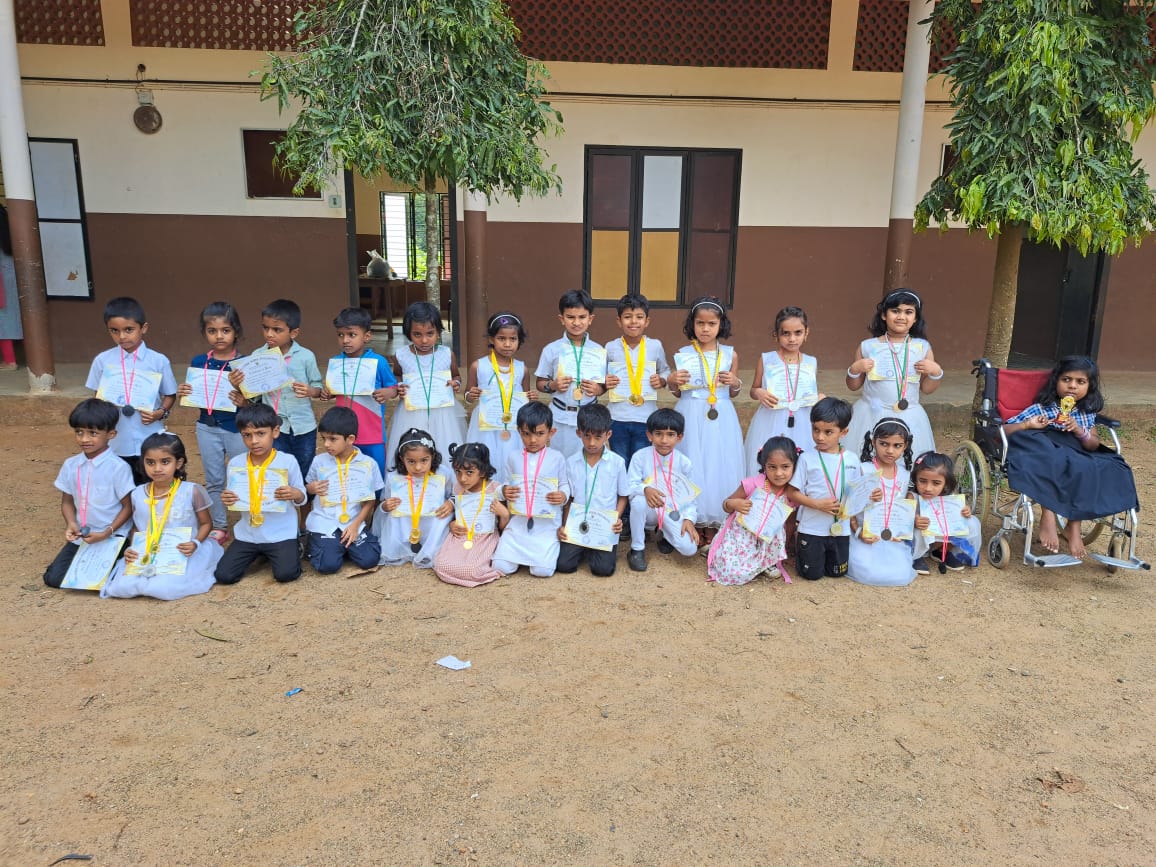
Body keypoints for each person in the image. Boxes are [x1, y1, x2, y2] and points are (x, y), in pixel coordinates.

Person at [1003, 355, 1139, 558]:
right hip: (1045, 449)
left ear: (1089, 387)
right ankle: (1048, 513)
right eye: (1066, 379)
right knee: (1054, 458)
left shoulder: (1085, 413)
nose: (1072, 386)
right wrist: (1028, 424)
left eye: (1080, 381)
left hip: (1076, 450)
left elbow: (1092, 444)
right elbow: (1003, 431)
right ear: (1056, 381)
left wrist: (1079, 430)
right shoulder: (1041, 408)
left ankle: (1074, 526)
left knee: (1100, 466)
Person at [102, 433, 222, 600]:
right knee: (121, 588)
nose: (157, 468)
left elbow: (206, 523)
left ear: (178, 463)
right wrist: (133, 547)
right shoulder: (137, 493)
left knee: (162, 589)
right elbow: (137, 526)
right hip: (147, 551)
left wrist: (195, 543)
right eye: (150, 462)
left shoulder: (191, 491)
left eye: (165, 462)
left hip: (181, 551)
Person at [668, 296, 744, 539]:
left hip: (720, 414)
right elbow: (677, 391)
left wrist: (735, 382)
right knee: (692, 461)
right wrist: (672, 381)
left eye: (712, 323)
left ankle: (714, 520)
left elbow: (733, 392)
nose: (705, 329)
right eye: (700, 323)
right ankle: (692, 517)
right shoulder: (683, 354)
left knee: (717, 463)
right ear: (692, 324)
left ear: (721, 325)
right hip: (690, 410)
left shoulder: (730, 355)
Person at [85, 297, 178, 484]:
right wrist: (104, 411)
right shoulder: (102, 361)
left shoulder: (158, 361)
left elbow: (170, 394)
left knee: (149, 485)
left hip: (149, 434)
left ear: (143, 328)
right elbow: (97, 395)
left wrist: (160, 413)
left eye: (128, 330)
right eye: (114, 331)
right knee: (120, 485)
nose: (122, 336)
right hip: (117, 438)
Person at [229, 299, 324, 482]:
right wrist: (238, 386)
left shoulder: (306, 357)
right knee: (278, 472)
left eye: (277, 330)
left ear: (294, 332)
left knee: (305, 472)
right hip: (273, 427)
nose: (269, 334)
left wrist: (311, 391)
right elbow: (254, 397)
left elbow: (319, 388)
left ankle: (305, 501)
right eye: (265, 328)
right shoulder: (257, 356)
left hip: (304, 426)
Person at [44, 399, 134, 588]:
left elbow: (128, 507)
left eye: (93, 433)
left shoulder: (118, 468)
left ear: (111, 434)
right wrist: (71, 523)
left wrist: (107, 532)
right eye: (79, 432)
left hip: (113, 536)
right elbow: (67, 501)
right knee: (54, 579)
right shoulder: (71, 465)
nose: (84, 439)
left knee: (106, 581)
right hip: (83, 536)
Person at [176, 301, 246, 544]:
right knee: (215, 479)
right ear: (204, 332)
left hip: (237, 428)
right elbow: (198, 394)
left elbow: (255, 402)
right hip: (206, 427)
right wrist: (185, 392)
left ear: (236, 331)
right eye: (212, 331)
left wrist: (244, 400)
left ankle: (249, 521)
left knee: (243, 475)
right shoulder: (199, 362)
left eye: (226, 330)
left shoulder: (243, 363)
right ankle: (219, 525)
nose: (219, 336)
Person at [844, 289, 942, 461]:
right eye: (895, 311)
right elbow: (853, 386)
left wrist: (935, 372)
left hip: (909, 414)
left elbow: (927, 389)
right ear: (884, 315)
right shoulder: (868, 346)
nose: (901, 317)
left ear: (916, 318)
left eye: (908, 312)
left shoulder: (922, 347)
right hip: (871, 414)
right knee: (868, 458)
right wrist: (854, 369)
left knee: (906, 459)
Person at [215, 404, 308, 584]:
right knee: (224, 576)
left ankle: (292, 547)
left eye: (260, 433)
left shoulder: (287, 461)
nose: (254, 441)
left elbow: (302, 497)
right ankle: (260, 553)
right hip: (248, 534)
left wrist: (294, 493)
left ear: (275, 432)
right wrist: (228, 498)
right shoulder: (236, 463)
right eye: (247, 435)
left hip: (281, 533)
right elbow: (234, 496)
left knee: (286, 574)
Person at [492, 401, 570, 578]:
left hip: (546, 525)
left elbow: (564, 485)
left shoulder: (557, 458)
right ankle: (514, 553)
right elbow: (506, 483)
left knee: (542, 571)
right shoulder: (513, 457)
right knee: (500, 567)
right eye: (527, 434)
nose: (533, 440)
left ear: (551, 432)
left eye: (540, 434)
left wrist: (563, 495)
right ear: (519, 432)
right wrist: (504, 491)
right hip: (518, 523)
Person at [708, 435, 799, 586]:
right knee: (730, 571)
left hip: (769, 540)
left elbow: (790, 524)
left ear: (794, 466)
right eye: (772, 467)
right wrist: (734, 503)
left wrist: (783, 550)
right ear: (764, 465)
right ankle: (720, 550)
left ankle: (767, 562)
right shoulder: (752, 484)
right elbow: (725, 504)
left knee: (777, 533)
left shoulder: (793, 493)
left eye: (785, 467)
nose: (778, 473)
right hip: (742, 536)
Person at [303, 406, 385, 574]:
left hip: (353, 521)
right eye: (324, 438)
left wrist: (355, 525)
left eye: (333, 439)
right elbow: (307, 489)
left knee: (369, 559)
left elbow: (370, 500)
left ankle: (339, 546)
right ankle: (326, 544)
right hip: (325, 522)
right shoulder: (319, 462)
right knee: (327, 565)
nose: (326, 444)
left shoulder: (368, 464)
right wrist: (310, 488)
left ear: (350, 439)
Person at [319, 307, 398, 478]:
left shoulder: (378, 362)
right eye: (340, 335)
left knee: (376, 475)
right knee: (347, 475)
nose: (345, 340)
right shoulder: (336, 363)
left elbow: (394, 387)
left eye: (351, 335)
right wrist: (327, 393)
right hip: (342, 435)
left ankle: (377, 497)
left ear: (367, 336)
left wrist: (389, 392)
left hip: (372, 433)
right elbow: (333, 391)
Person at [788, 397, 861, 580]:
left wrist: (870, 495)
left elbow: (857, 491)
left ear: (843, 432)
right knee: (811, 574)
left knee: (838, 573)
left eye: (828, 432)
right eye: (815, 429)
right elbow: (792, 492)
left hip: (841, 529)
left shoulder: (852, 459)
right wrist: (817, 504)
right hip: (812, 528)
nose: (820, 437)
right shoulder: (806, 458)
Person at [386, 301, 466, 468]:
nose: (424, 340)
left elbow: (456, 375)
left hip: (443, 413)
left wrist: (456, 383)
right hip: (411, 413)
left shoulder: (446, 354)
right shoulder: (401, 355)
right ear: (408, 333)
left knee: (444, 444)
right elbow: (398, 375)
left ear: (439, 332)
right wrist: (399, 385)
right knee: (413, 449)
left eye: (430, 333)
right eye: (417, 334)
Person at [556, 404, 630, 578]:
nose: (592, 443)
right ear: (578, 433)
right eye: (587, 436)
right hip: (577, 524)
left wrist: (616, 518)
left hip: (604, 526)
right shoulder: (571, 462)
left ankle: (592, 549)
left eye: (598, 437)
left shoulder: (617, 463)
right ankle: (583, 547)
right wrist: (565, 526)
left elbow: (623, 496)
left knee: (603, 570)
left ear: (608, 435)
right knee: (564, 565)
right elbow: (570, 498)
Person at [744, 306, 820, 473]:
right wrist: (759, 392)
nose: (792, 339)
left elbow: (810, 393)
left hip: (802, 420)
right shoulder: (766, 359)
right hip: (771, 419)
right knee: (770, 461)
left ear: (806, 332)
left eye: (798, 333)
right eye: (786, 333)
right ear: (776, 335)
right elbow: (754, 389)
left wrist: (818, 398)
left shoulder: (811, 362)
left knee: (799, 463)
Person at [625, 408, 701, 572]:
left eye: (670, 434)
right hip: (649, 508)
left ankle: (664, 534)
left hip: (671, 510)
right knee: (638, 502)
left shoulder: (684, 463)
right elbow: (629, 485)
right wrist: (645, 489)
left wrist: (689, 519)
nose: (664, 440)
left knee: (689, 548)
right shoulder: (640, 456)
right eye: (658, 434)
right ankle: (637, 548)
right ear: (649, 435)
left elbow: (690, 497)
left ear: (679, 437)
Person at [603, 294, 671, 472]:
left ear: (647, 321)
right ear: (619, 321)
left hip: (645, 417)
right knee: (620, 463)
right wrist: (605, 381)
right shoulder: (610, 347)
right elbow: (600, 377)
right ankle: (622, 491)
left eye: (639, 317)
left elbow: (665, 370)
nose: (633, 322)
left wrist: (661, 380)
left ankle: (638, 492)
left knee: (640, 464)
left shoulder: (655, 346)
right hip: (617, 417)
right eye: (627, 317)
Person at [464, 312, 537, 477]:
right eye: (501, 338)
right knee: (486, 458)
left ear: (519, 340)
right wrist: (471, 395)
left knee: (511, 460)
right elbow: (467, 395)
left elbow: (525, 399)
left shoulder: (522, 369)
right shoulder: (479, 366)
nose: (507, 344)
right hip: (485, 425)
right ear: (491, 339)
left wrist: (530, 398)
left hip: (512, 424)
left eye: (513, 339)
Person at [535, 289, 606, 459]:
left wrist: (598, 389)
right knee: (560, 461)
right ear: (562, 319)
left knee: (586, 462)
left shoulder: (599, 351)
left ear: (590, 319)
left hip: (589, 418)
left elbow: (604, 385)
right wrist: (553, 385)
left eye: (582, 317)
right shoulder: (551, 350)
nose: (576, 322)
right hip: (560, 416)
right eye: (570, 317)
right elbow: (540, 383)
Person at [846, 418, 917, 587]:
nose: (890, 451)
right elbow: (848, 505)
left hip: (893, 535)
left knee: (900, 573)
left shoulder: (905, 474)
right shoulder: (864, 469)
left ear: (905, 446)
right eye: (884, 444)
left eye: (897, 445)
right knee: (866, 571)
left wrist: (902, 529)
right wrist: (859, 531)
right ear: (873, 442)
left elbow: (905, 507)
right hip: (865, 534)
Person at [373, 427, 454, 567]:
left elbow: (453, 494)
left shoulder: (443, 473)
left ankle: (430, 550)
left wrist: (450, 503)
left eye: (424, 460)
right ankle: (400, 549)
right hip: (406, 519)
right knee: (394, 516)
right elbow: (386, 500)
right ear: (401, 458)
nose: (418, 467)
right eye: (411, 461)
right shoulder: (394, 477)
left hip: (432, 518)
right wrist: (386, 506)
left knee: (442, 518)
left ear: (432, 456)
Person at [434, 443, 510, 587]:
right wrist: (452, 524)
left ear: (482, 471)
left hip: (484, 538)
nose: (462, 478)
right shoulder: (458, 488)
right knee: (441, 565)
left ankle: (473, 572)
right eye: (458, 472)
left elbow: (503, 529)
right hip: (461, 535)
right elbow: (457, 509)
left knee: (471, 570)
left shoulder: (495, 489)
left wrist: (505, 515)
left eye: (469, 472)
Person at [910, 451, 981, 574]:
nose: (928, 488)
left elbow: (961, 510)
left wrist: (965, 512)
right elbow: (905, 516)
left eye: (936, 483)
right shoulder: (912, 496)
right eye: (922, 481)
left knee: (972, 522)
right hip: (920, 538)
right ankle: (916, 556)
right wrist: (915, 519)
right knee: (918, 525)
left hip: (940, 538)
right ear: (915, 479)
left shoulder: (950, 497)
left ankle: (942, 550)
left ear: (946, 482)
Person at [0, 204, 22, 370]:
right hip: (13, 282)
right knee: (12, 318)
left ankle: (10, 360)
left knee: (3, 320)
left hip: (3, 284)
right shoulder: (11, 239)